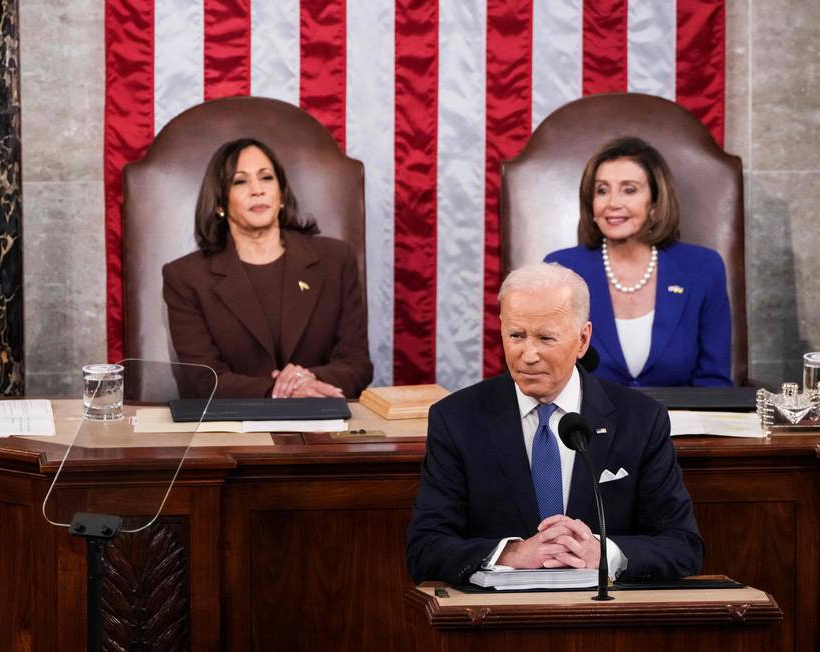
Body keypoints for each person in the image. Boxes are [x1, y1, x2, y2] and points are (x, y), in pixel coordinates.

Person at [405, 263, 702, 586]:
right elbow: (425, 548)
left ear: (582, 340)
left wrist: (603, 553)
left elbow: (683, 546)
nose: (528, 354)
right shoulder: (457, 418)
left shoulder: (640, 419)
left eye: (546, 338)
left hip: (605, 618)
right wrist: (511, 554)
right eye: (516, 335)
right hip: (496, 620)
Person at [162, 138, 373, 398]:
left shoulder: (336, 259)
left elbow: (357, 364)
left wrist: (307, 381)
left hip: (323, 417)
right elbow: (205, 379)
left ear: (281, 193)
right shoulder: (185, 277)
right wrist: (277, 391)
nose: (257, 190)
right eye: (240, 181)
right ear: (219, 204)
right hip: (234, 429)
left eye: (266, 178)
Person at [545, 137, 732, 387]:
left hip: (681, 422)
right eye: (602, 190)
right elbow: (547, 371)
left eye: (629, 189)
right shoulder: (561, 270)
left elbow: (714, 382)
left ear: (655, 204)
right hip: (588, 422)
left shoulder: (703, 268)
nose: (613, 203)